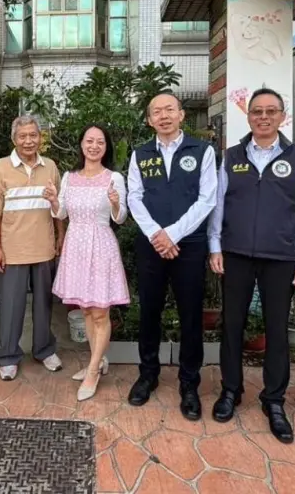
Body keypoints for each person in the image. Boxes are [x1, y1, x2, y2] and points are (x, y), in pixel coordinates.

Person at [207, 87, 295, 443]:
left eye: (271, 111)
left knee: (276, 329)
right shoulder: (231, 156)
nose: (263, 117)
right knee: (232, 325)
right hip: (237, 254)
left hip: (281, 257)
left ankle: (273, 400)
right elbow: (218, 206)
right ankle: (231, 390)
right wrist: (215, 245)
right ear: (249, 116)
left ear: (282, 115)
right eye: (257, 111)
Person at [127, 93, 217, 420]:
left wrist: (173, 234)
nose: (163, 116)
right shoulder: (140, 154)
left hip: (188, 246)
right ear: (149, 120)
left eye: (169, 110)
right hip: (151, 245)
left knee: (190, 313)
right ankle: (147, 373)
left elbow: (207, 199)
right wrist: (156, 235)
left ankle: (189, 383)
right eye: (156, 112)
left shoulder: (203, 151)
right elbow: (134, 198)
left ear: (181, 114)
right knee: (149, 310)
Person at [47, 125, 130, 401]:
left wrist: (116, 203)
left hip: (101, 245)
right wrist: (51, 200)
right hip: (76, 246)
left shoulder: (113, 177)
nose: (94, 146)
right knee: (85, 311)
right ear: (81, 144)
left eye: (100, 142)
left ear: (106, 147)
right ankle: (99, 360)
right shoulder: (69, 177)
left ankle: (93, 370)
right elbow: (61, 212)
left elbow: (120, 218)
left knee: (100, 313)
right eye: (89, 141)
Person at [0, 115, 64, 381]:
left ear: (41, 138)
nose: (28, 141)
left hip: (44, 249)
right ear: (13, 139)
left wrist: (60, 237)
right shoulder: (1, 167)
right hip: (12, 250)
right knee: (11, 306)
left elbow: (58, 208)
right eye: (23, 136)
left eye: (33, 135)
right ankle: (8, 356)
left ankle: (43, 349)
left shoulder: (50, 166)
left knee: (44, 305)